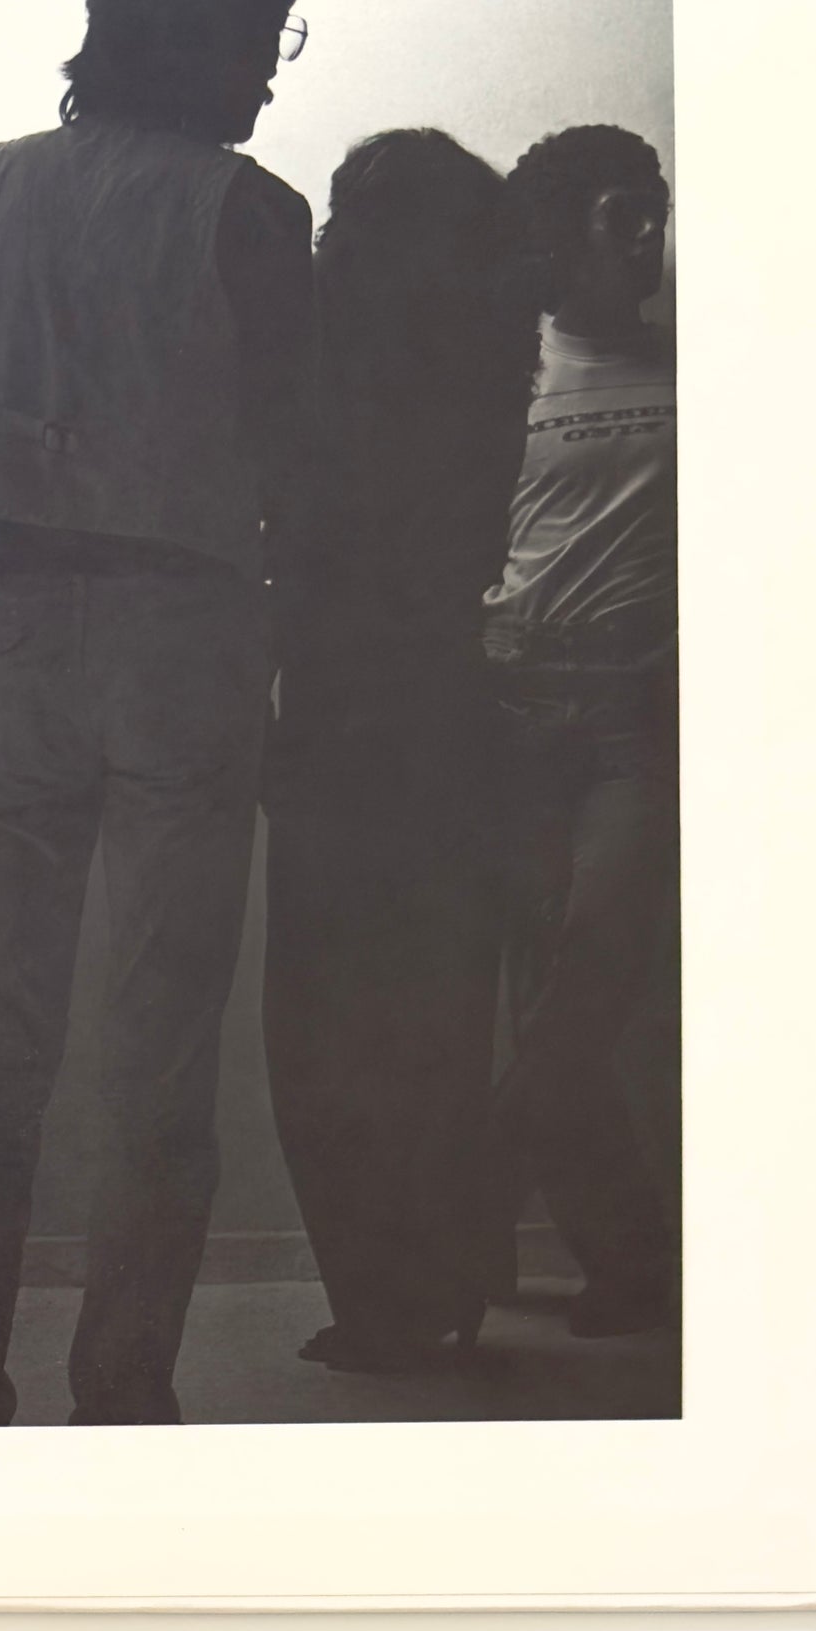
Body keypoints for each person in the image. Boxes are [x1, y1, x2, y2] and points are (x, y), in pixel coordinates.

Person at [0, 0, 317, 1425]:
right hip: (183, 631)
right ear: (197, 39)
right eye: (261, 37)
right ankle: (123, 1386)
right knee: (156, 1051)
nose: (269, 72)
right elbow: (289, 441)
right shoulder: (247, 211)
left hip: (13, 623)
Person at [261, 129, 540, 1374]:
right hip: (452, 707)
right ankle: (442, 1278)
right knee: (436, 1010)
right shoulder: (491, 362)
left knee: (323, 1017)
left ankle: (379, 1293)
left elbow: (291, 538)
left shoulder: (319, 367)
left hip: (337, 706)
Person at [481, 124, 680, 1339]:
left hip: (636, 715)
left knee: (588, 973)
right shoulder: (504, 372)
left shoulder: (702, 366)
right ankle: (626, 1261)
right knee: (539, 991)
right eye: (620, 211)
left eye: (654, 208)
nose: (648, 233)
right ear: (559, 232)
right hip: (510, 708)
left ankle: (457, 1202)